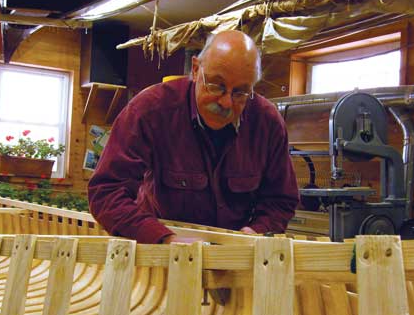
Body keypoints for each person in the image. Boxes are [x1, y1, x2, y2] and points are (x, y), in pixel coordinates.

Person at [88, 30, 299, 244]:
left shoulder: (267, 122)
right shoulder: (150, 111)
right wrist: (163, 238)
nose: (226, 102)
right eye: (217, 86)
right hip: (162, 254)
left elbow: (280, 200)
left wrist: (256, 232)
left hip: (236, 259)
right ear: (196, 69)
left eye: (240, 93)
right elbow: (106, 191)